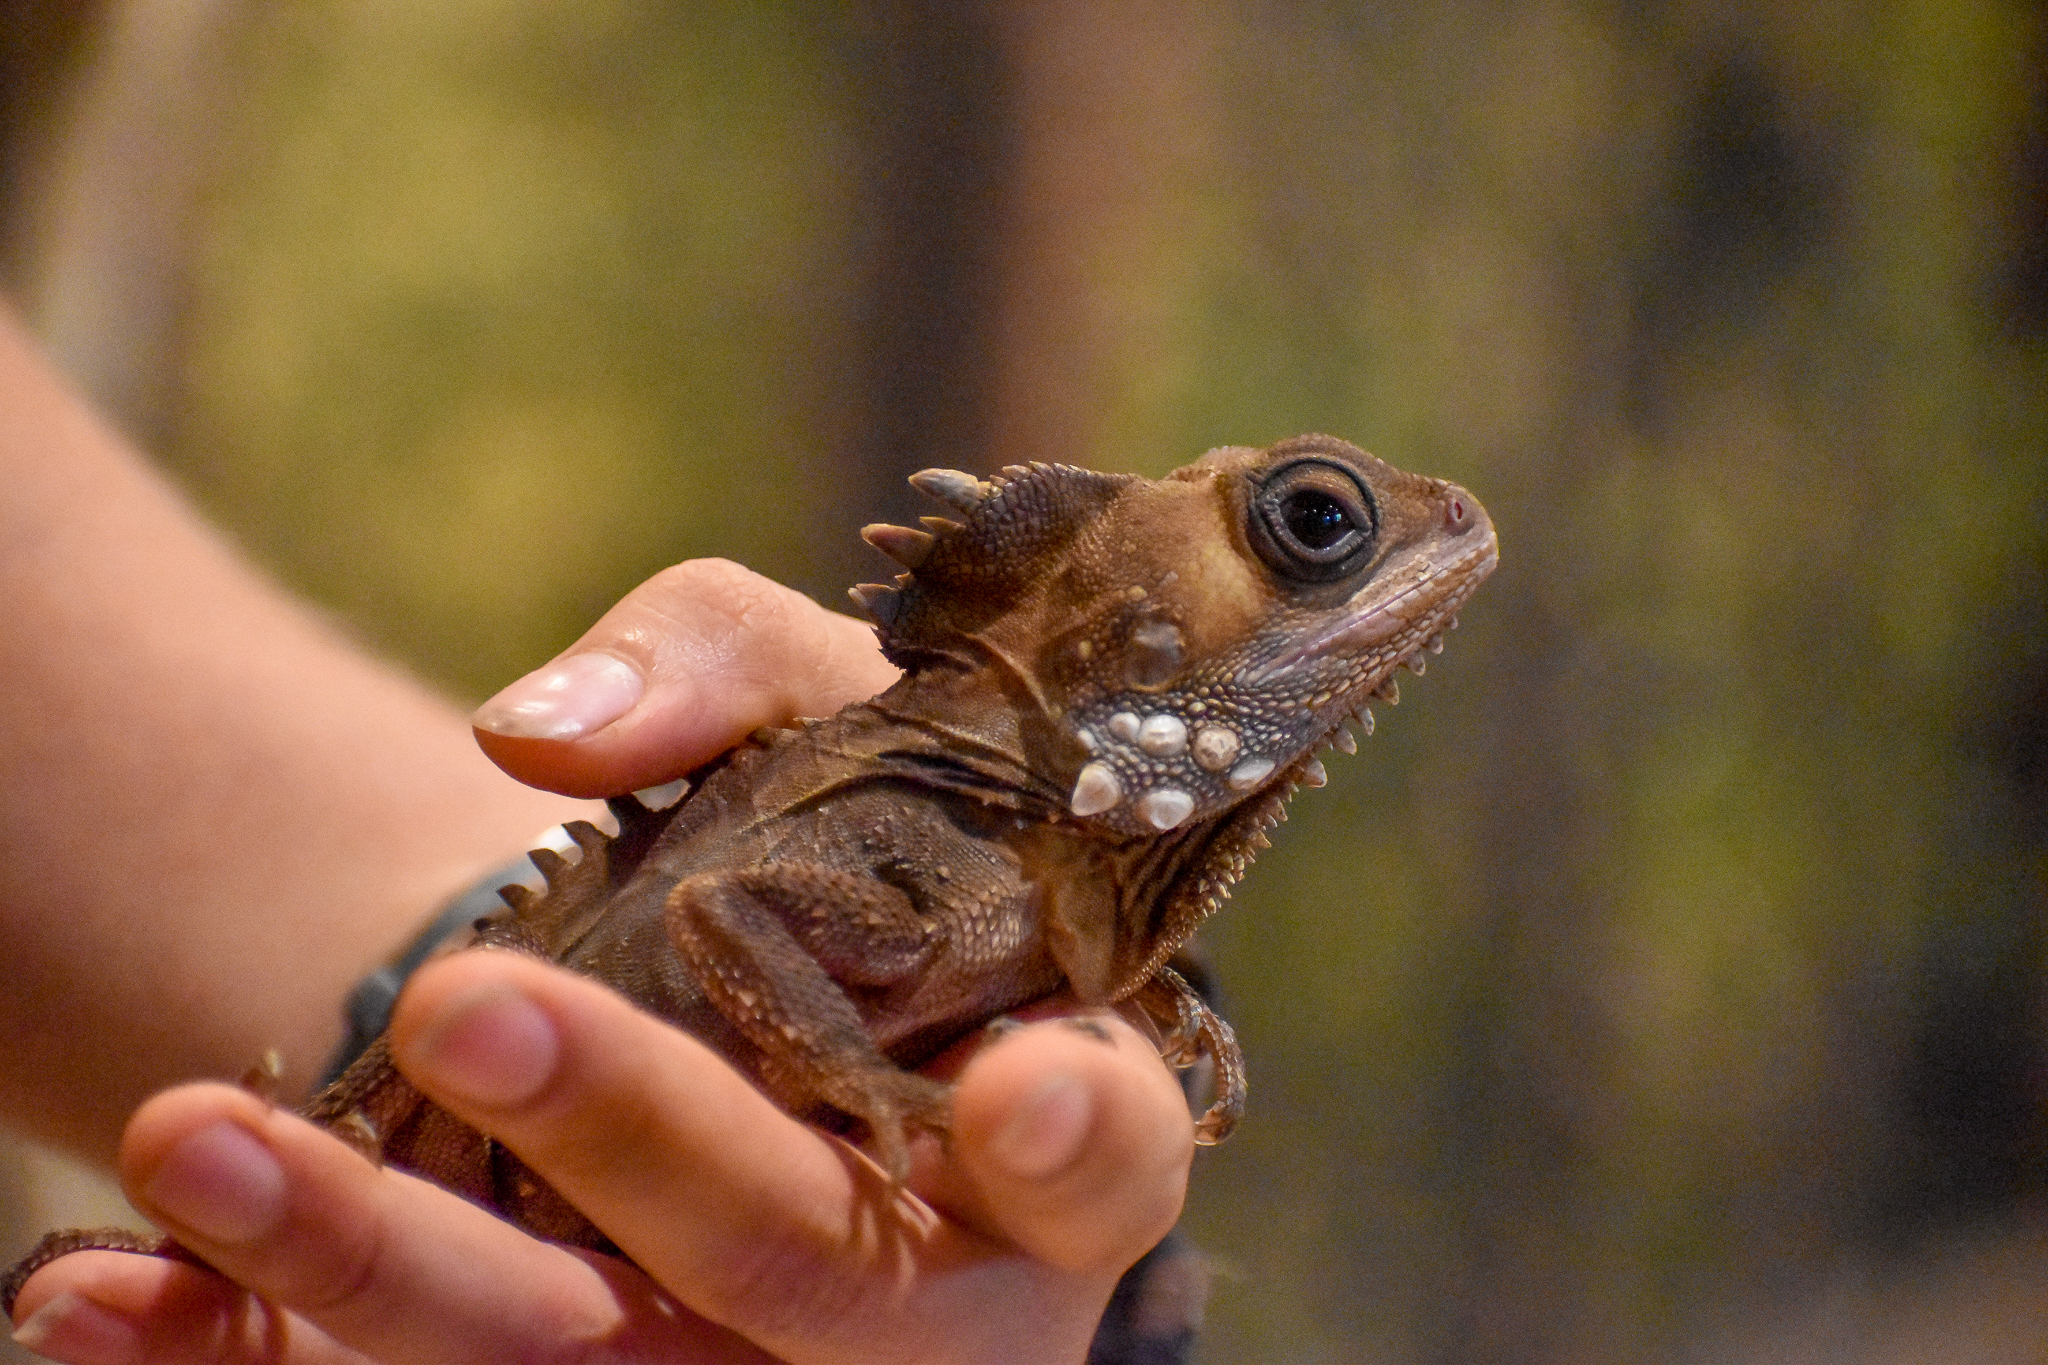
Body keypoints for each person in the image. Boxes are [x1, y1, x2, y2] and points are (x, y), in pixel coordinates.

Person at [0, 304, 1194, 1364]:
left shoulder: (1004, 855)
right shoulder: (952, 853)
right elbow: (720, 908)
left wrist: (1048, 1229)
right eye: (1311, 529)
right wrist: (854, 1074)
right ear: (1138, 636)